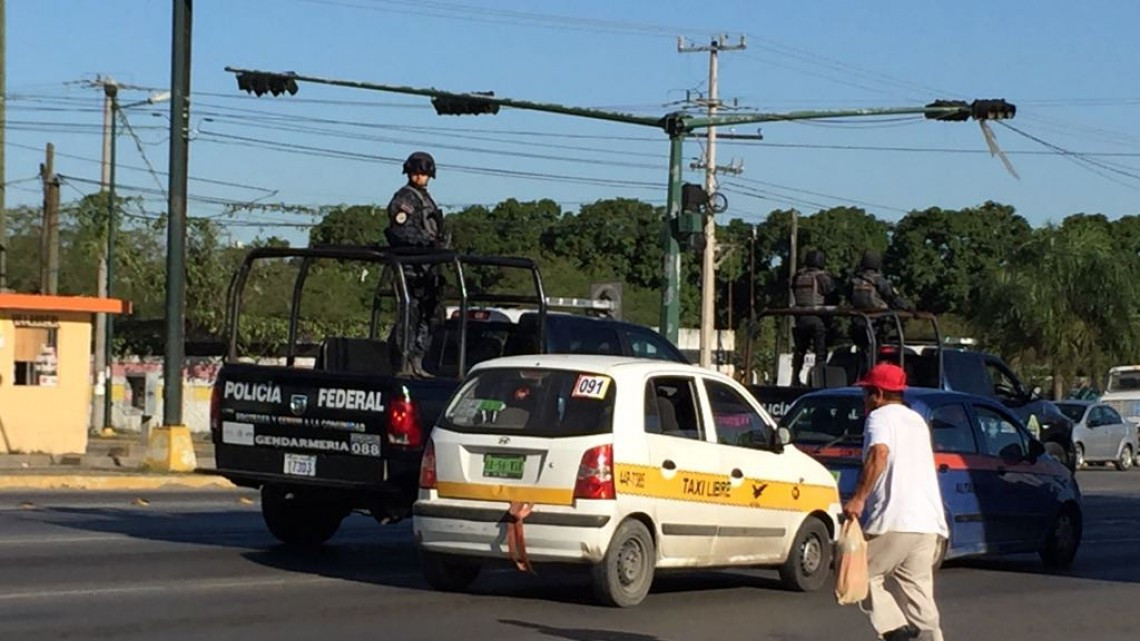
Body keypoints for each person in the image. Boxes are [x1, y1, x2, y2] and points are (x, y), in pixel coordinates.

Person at [843, 363, 948, 641]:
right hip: (928, 523)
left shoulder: (880, 417)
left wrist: (858, 498)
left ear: (877, 394)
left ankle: (896, 631)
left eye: (866, 394)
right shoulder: (917, 420)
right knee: (919, 595)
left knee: (861, 576)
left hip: (895, 518)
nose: (864, 400)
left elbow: (879, 454)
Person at [385, 151, 446, 378]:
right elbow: (400, 230)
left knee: (428, 316)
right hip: (410, 266)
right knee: (409, 315)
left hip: (428, 267)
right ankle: (404, 362)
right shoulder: (405, 198)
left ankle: (418, 361)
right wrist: (426, 244)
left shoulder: (426, 199)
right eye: (417, 172)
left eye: (424, 173)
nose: (420, 177)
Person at [847, 249, 912, 361]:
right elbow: (894, 298)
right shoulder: (879, 281)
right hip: (876, 324)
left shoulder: (853, 282)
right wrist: (908, 308)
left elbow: (849, 297)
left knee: (863, 353)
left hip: (857, 324)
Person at [791, 249, 835, 385]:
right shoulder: (823, 277)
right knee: (820, 352)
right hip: (818, 318)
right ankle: (820, 381)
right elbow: (832, 294)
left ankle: (795, 379)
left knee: (799, 351)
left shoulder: (798, 276)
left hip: (800, 318)